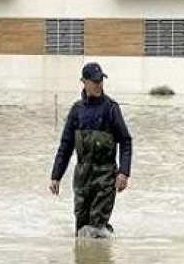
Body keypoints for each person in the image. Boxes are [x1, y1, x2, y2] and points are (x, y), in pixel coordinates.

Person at [49, 63, 133, 238]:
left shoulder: (111, 109)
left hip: (105, 178)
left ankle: (102, 261)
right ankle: (86, 263)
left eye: (101, 80)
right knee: (81, 229)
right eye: (94, 81)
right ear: (84, 82)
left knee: (95, 227)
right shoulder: (76, 111)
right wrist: (56, 176)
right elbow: (65, 146)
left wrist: (124, 172)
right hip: (82, 179)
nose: (99, 85)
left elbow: (126, 141)